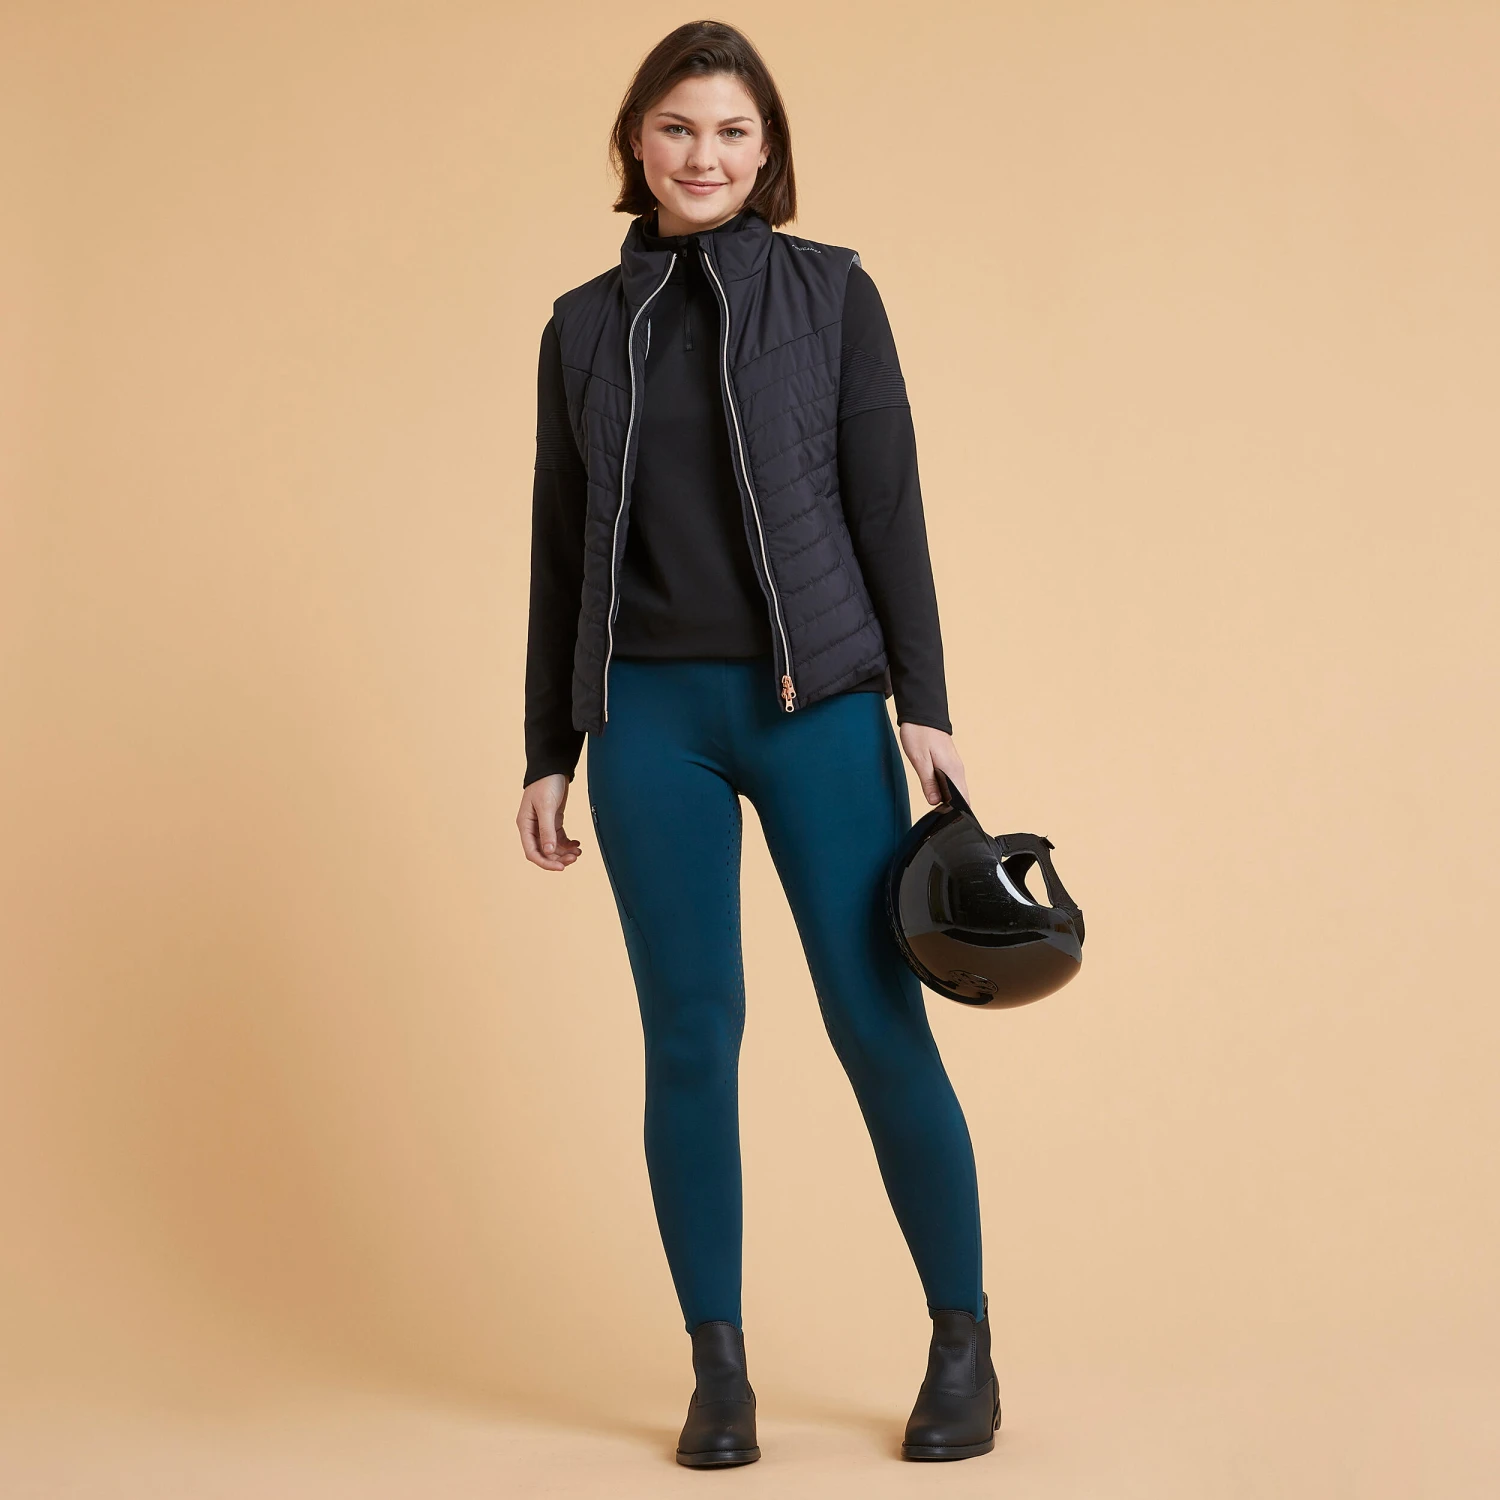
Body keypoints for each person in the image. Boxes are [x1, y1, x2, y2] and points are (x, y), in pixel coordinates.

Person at [516, 20, 1000, 1467]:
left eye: (732, 131)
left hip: (818, 705)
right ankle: (717, 1371)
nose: (704, 155)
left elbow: (888, 505)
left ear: (768, 148)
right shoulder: (581, 327)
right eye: (677, 127)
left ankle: (963, 1345)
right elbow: (558, 550)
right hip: (647, 721)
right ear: (636, 142)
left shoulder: (833, 294)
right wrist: (547, 747)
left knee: (875, 1019)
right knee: (689, 1037)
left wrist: (924, 705)